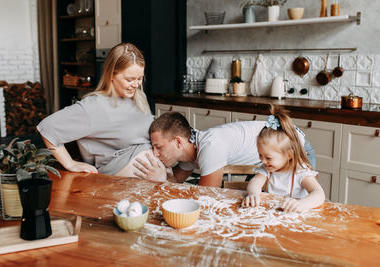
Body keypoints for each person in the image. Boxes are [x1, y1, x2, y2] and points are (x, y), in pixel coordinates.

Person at [37, 43, 166, 180]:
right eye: (129, 79)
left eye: (139, 78)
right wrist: (70, 164)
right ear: (111, 75)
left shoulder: (138, 97)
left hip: (155, 181)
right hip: (118, 186)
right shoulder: (95, 106)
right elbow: (48, 128)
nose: (136, 84)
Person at [134, 107, 316, 187]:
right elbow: (177, 185)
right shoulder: (189, 155)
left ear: (178, 142)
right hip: (269, 161)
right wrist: (163, 179)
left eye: (158, 147)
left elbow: (205, 198)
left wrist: (163, 184)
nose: (155, 153)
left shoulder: (210, 147)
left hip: (293, 149)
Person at [241, 106, 325, 212]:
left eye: (268, 157)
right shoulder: (267, 169)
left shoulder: (300, 172)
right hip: (272, 215)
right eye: (260, 155)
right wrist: (253, 194)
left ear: (289, 155)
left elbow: (319, 194)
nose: (263, 161)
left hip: (293, 218)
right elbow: (255, 182)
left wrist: (300, 204)